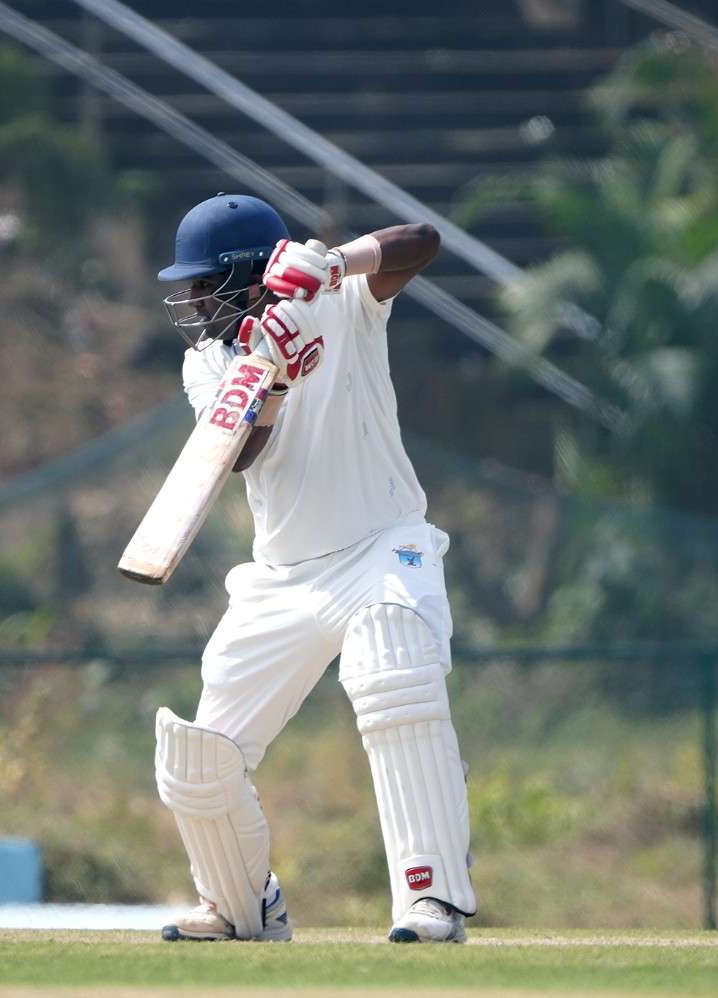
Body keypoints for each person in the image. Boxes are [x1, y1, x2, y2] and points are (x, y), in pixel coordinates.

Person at [151, 193, 476, 944]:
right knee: (199, 758)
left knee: (395, 673)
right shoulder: (207, 360)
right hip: (282, 577)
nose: (193, 300)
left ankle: (432, 901)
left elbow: (421, 241)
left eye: (204, 283)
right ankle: (241, 908)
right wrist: (270, 372)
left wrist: (334, 261)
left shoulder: (344, 300)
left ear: (247, 273)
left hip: (380, 546)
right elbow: (242, 455)